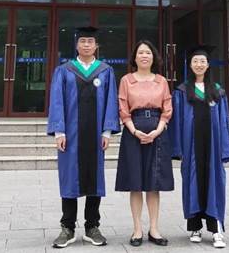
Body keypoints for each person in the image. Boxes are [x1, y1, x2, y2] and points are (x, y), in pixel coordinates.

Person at [47, 26, 120, 249]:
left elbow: (111, 101)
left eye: (90, 41)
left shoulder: (105, 71)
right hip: (71, 135)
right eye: (83, 41)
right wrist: (59, 132)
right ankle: (67, 227)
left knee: (94, 178)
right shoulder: (64, 70)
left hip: (96, 135)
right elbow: (57, 101)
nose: (87, 44)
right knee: (70, 177)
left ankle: (92, 226)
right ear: (77, 45)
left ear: (96, 46)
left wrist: (107, 131)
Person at [169, 45, 229, 249]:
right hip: (191, 146)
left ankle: (216, 229)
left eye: (202, 61)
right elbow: (177, 122)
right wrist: (178, 149)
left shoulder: (217, 91)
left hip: (212, 147)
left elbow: (224, 123)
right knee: (192, 183)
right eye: (195, 61)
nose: (199, 64)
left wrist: (224, 150)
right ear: (190, 65)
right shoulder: (182, 91)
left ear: (208, 65)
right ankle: (195, 227)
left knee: (214, 184)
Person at [115, 40, 174, 247]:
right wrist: (134, 130)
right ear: (135, 57)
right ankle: (137, 229)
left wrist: (158, 130)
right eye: (140, 53)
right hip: (133, 132)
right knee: (136, 183)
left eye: (148, 52)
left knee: (153, 183)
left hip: (158, 131)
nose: (144, 56)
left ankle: (154, 229)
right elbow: (123, 108)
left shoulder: (161, 81)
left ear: (153, 56)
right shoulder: (126, 80)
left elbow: (167, 108)